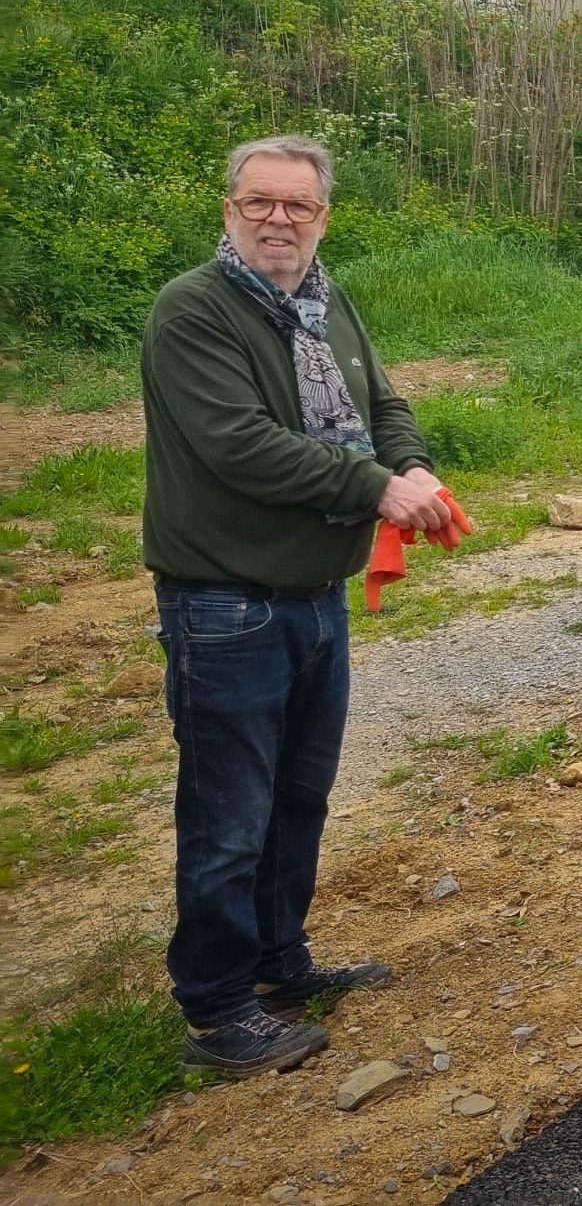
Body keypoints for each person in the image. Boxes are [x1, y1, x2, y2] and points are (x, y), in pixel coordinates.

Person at [142, 136, 449, 1074]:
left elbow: (383, 405)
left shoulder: (326, 299)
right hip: (224, 603)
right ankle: (217, 1009)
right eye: (260, 202)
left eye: (298, 206)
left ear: (322, 216)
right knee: (228, 814)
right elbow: (241, 444)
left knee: (298, 797)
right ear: (229, 209)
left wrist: (413, 465)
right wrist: (376, 487)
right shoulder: (193, 309)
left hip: (317, 597)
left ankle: (279, 963)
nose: (279, 220)